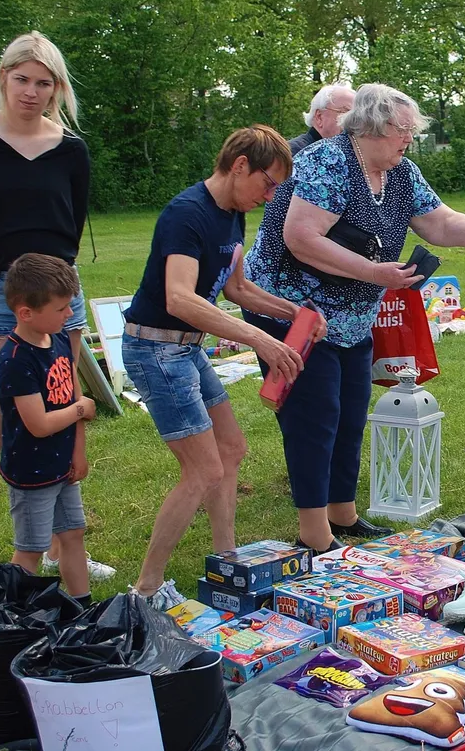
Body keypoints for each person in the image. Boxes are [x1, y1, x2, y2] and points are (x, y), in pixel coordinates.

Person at [243, 83, 465, 553]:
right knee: (314, 417)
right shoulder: (328, 162)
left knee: (351, 411)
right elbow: (301, 237)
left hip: (353, 315)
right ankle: (314, 533)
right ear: (373, 127)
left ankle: (343, 513)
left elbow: (439, 222)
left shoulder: (400, 172)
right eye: (403, 130)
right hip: (293, 309)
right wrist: (374, 272)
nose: (409, 139)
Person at [0, 31, 115, 591]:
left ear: (57, 88)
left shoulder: (71, 150)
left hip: (59, 297)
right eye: (22, 80)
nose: (31, 92)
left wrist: (58, 291)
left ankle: (63, 549)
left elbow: (71, 221)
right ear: (3, 78)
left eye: (43, 82)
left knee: (57, 425)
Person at [123, 125, 322, 609]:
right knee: (202, 469)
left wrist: (293, 313)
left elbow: (237, 289)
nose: (269, 197)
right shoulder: (186, 214)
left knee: (230, 448)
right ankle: (146, 589)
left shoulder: (233, 214)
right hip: (156, 350)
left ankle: (226, 560)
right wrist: (259, 339)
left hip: (186, 349)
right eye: (268, 184)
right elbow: (179, 298)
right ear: (239, 166)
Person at [0, 254, 96, 604]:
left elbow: (73, 392)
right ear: (26, 313)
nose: (69, 314)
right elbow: (38, 424)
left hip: (62, 466)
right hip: (31, 473)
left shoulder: (58, 339)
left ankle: (82, 607)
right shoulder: (15, 360)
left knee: (73, 533)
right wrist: (81, 409)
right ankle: (11, 613)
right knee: (31, 549)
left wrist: (78, 452)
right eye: (61, 308)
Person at [289, 82, 356, 155]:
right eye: (345, 113)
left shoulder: (349, 154)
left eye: (355, 116)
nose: (352, 121)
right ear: (319, 117)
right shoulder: (294, 153)